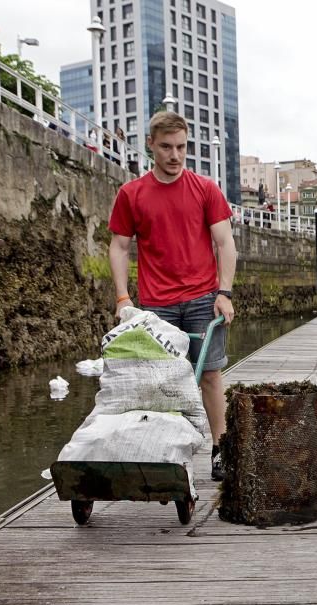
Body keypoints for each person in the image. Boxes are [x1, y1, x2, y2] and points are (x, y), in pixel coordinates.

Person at [108, 110, 236, 482]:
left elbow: (225, 242)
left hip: (201, 298)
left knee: (210, 374)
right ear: (151, 145)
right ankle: (164, 453)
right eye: (166, 147)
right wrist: (122, 299)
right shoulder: (132, 194)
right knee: (160, 381)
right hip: (156, 303)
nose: (175, 155)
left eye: (181, 147)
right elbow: (118, 247)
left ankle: (220, 448)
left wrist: (224, 293)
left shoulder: (205, 189)